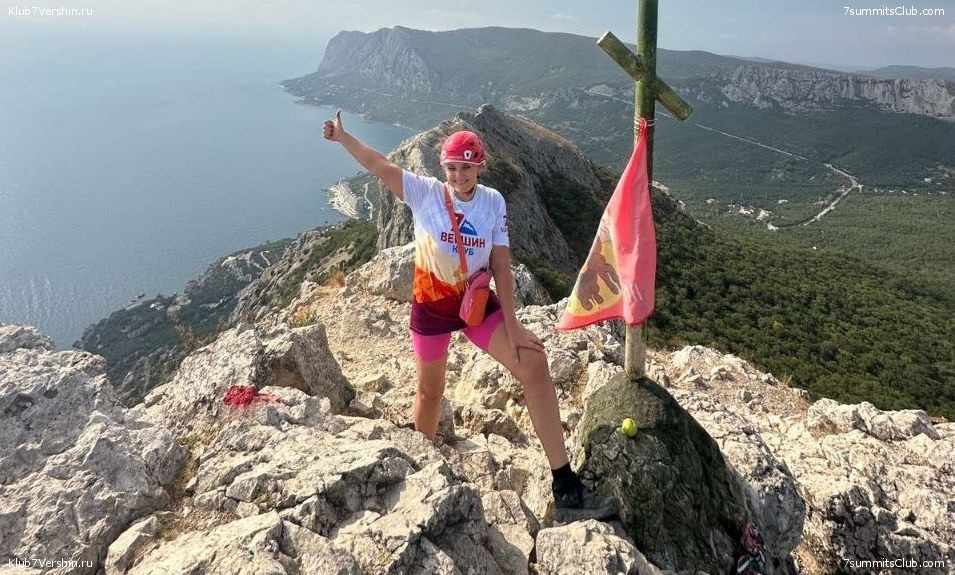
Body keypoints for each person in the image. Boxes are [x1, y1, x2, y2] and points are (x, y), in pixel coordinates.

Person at [323, 110, 617, 523]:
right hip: (431, 308)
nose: (458, 176)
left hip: (475, 306)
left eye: (466, 168)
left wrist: (513, 325)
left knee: (534, 364)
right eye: (451, 168)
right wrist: (343, 137)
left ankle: (566, 486)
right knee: (430, 393)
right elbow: (379, 164)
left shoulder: (492, 202)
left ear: (480, 166)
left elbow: (501, 265)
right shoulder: (425, 193)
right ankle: (422, 469)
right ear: (442, 167)